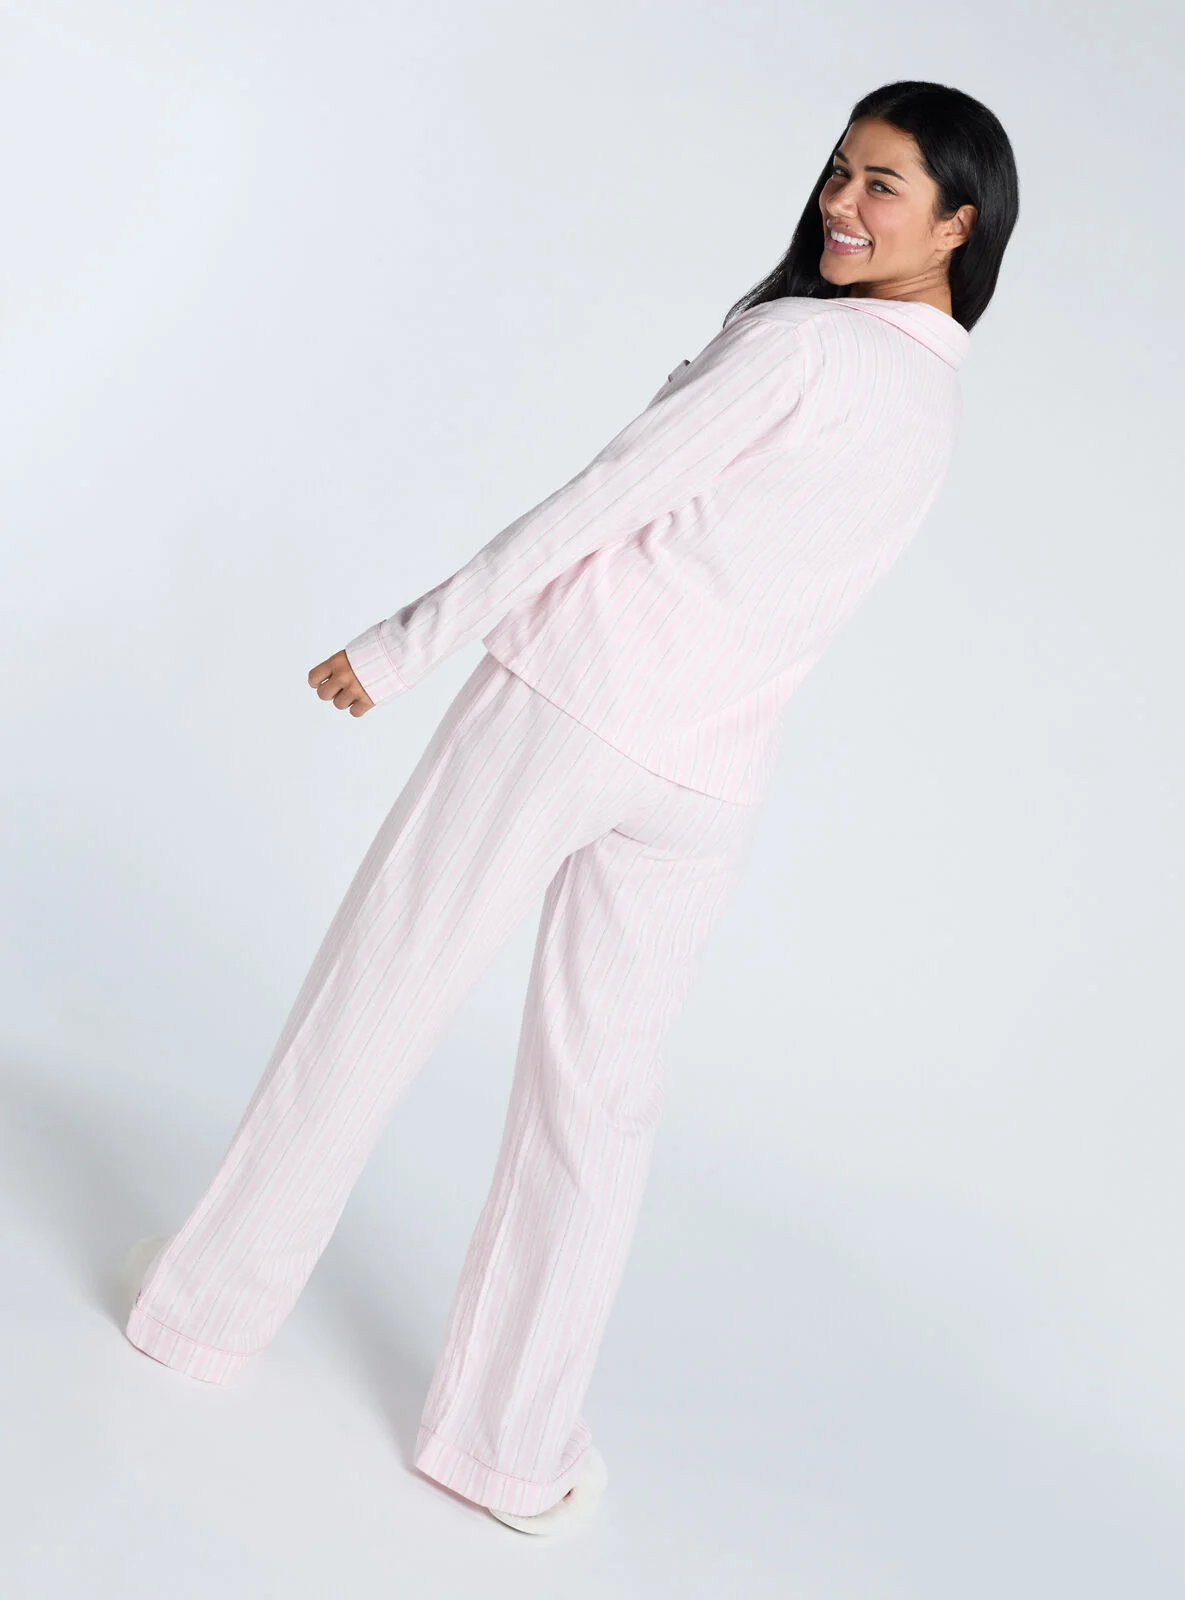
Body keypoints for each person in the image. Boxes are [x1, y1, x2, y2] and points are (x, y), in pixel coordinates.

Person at [121, 80, 1019, 1536]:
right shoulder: (933, 402)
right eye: (838, 172)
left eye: (883, 187)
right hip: (708, 777)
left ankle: (200, 1317)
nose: (840, 207)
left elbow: (604, 499)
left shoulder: (801, 345)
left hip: (569, 705)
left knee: (379, 997)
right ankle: (508, 1447)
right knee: (598, 1108)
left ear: (959, 224)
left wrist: (405, 641)